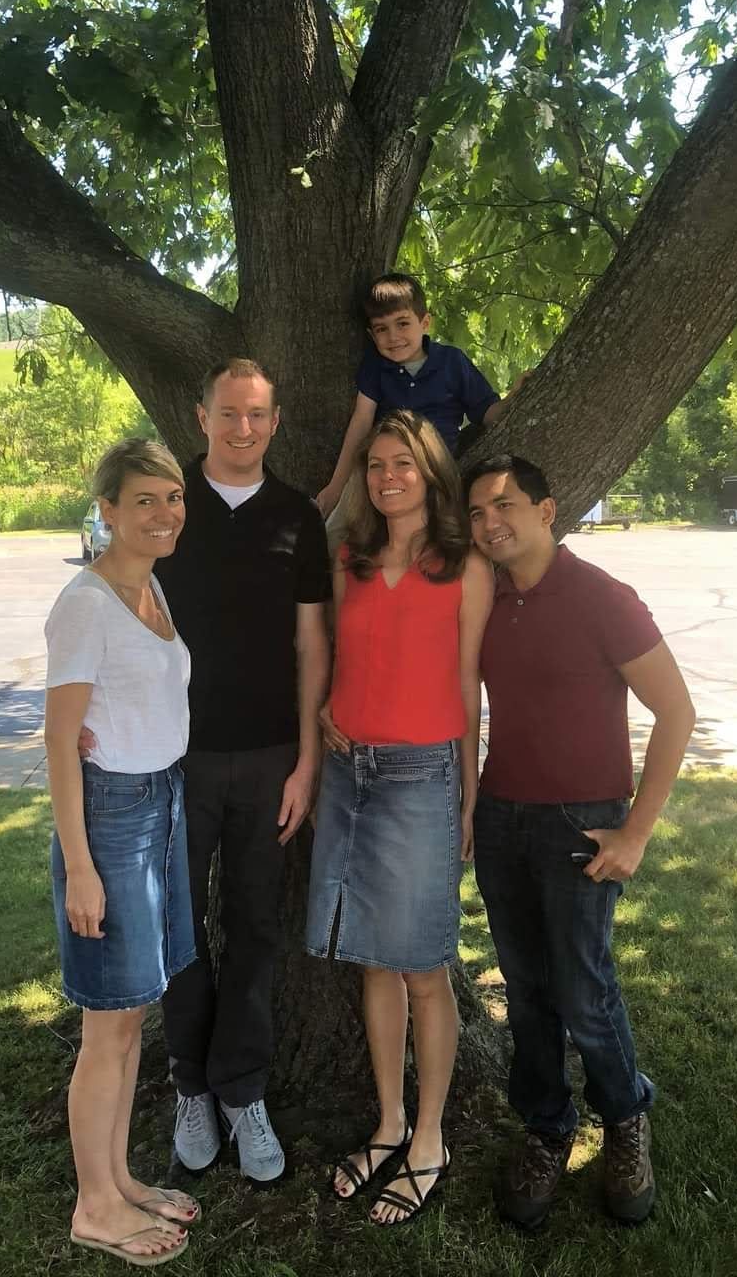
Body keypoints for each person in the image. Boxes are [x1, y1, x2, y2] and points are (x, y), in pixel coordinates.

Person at [465, 454, 696, 1231]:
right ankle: (546, 1127)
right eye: (477, 512)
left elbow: (677, 712)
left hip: (580, 822)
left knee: (583, 990)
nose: (490, 522)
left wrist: (636, 832)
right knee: (526, 988)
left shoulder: (603, 597)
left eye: (504, 505)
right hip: (501, 817)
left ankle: (625, 1117)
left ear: (547, 510)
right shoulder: (486, 598)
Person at [306, 410, 494, 1226]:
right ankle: (387, 1125)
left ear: (431, 472)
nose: (387, 477)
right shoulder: (348, 558)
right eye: (377, 464)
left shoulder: (465, 565)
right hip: (349, 775)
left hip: (422, 778)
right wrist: (325, 709)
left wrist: (468, 796)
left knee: (422, 966)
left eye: (403, 464)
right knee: (372, 963)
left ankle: (429, 1139)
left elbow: (468, 687)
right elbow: (337, 655)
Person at [151, 358, 331, 1183]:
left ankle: (242, 1089)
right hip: (172, 757)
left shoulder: (297, 515)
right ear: (202, 417)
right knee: (179, 929)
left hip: (268, 760)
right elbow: (122, 611)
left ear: (275, 421)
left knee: (256, 927)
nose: (243, 428)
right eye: (229, 413)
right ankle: (191, 1084)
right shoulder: (167, 506)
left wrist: (306, 761)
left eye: (257, 414)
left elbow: (312, 644)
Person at [44, 438, 200, 1266]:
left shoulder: (151, 587)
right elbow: (60, 741)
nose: (164, 514)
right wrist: (80, 866)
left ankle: (118, 1178)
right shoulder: (86, 603)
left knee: (135, 1008)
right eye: (144, 500)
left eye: (172, 498)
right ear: (107, 509)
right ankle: (94, 1206)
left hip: (161, 803)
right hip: (111, 818)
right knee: (107, 1022)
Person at [315, 272, 526, 518]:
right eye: (382, 329)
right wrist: (336, 485)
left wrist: (516, 396)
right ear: (372, 335)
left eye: (402, 323)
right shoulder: (375, 367)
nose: (393, 336)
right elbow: (361, 423)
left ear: (425, 323)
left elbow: (488, 413)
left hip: (435, 474)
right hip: (386, 474)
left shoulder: (451, 362)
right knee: (341, 526)